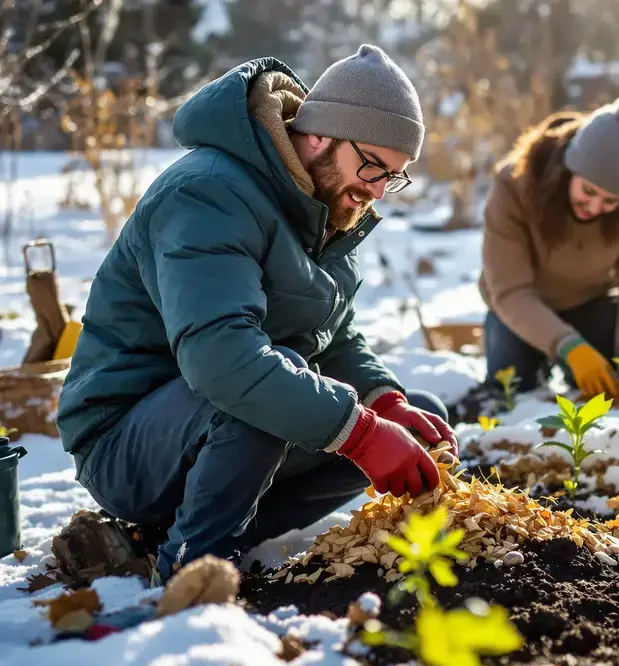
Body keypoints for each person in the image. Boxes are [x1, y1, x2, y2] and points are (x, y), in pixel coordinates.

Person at [55, 45, 458, 583]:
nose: (378, 189)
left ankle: (162, 540)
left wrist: (386, 403)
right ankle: (195, 572)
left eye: (395, 176)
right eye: (372, 165)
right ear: (319, 135)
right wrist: (361, 434)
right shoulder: (208, 193)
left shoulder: (329, 201)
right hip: (125, 441)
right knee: (264, 391)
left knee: (411, 414)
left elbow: (331, 338)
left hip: (220, 426)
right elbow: (222, 358)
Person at [478, 96, 619, 400]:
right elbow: (509, 289)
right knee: (510, 389)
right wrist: (569, 347)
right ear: (569, 169)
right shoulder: (515, 184)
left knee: (615, 383)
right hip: (518, 310)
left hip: (589, 303)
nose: (594, 206)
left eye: (610, 201)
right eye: (588, 191)